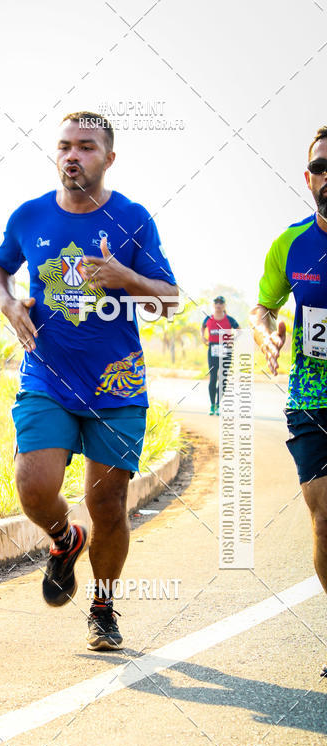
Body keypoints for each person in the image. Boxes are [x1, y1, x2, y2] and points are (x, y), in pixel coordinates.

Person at [0, 111, 178, 650]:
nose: (73, 155)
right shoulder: (30, 217)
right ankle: (64, 539)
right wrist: (6, 304)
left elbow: (168, 299)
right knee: (34, 487)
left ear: (108, 158)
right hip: (47, 375)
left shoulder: (133, 219)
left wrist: (126, 278)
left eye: (87, 147)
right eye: (65, 146)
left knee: (109, 503)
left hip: (117, 386)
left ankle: (103, 608)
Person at [250, 125, 327, 675]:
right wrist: (267, 331)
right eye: (322, 167)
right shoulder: (291, 244)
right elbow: (262, 306)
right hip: (313, 394)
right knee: (324, 517)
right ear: (308, 179)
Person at [201, 296, 239, 414]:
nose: (218, 305)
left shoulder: (230, 320)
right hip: (213, 349)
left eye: (221, 303)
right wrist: (203, 337)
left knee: (223, 378)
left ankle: (218, 405)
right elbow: (202, 327)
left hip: (226, 350)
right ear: (213, 305)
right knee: (213, 377)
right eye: (216, 302)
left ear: (224, 305)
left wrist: (232, 339)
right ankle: (212, 405)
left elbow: (239, 330)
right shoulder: (208, 319)